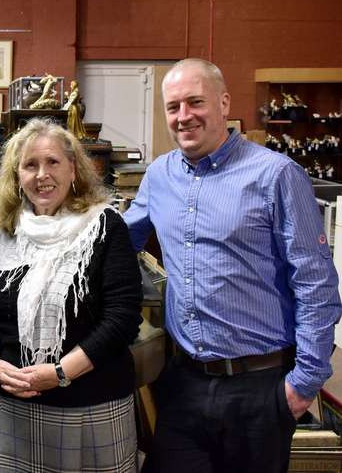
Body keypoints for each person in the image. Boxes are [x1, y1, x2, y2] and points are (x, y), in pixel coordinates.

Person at [123, 58, 342, 473]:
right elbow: (117, 240)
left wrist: (304, 383)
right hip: (184, 381)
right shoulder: (160, 175)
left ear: (223, 103)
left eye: (195, 102)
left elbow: (316, 283)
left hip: (259, 386)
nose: (183, 116)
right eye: (173, 107)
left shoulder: (276, 175)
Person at [0, 118, 143, 472]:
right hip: (12, 407)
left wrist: (61, 372)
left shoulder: (104, 227)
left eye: (52, 162)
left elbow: (122, 319)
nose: (42, 174)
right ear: (16, 176)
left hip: (89, 407)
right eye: (30, 165)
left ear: (73, 169)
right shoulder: (5, 234)